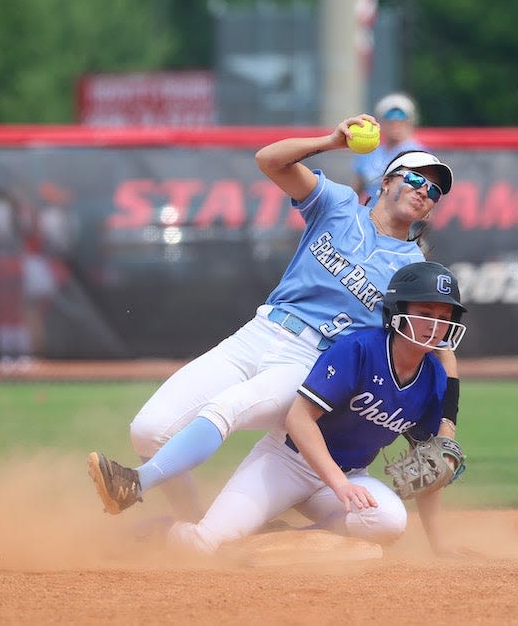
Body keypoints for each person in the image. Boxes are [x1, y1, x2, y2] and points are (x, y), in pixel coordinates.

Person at [88, 114, 461, 520]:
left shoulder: (412, 271)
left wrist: (447, 430)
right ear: (386, 181)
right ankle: (192, 523)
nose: (425, 190)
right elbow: (269, 160)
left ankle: (136, 483)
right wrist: (333, 140)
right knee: (148, 429)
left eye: (435, 190)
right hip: (261, 332)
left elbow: (438, 345)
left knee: (227, 408)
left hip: (309, 362)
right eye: (415, 178)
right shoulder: (337, 205)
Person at [165, 261, 468, 556]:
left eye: (445, 316)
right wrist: (339, 483)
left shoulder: (434, 379)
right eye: (425, 313)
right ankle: (167, 530)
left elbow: (430, 465)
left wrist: (438, 544)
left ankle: (285, 538)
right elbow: (299, 419)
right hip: (287, 463)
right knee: (206, 545)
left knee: (388, 520)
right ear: (398, 311)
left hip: (349, 476)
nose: (436, 325)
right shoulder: (359, 349)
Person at [352, 92, 429, 205]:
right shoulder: (368, 152)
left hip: (405, 220)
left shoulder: (420, 155)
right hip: (371, 217)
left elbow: (427, 194)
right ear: (380, 122)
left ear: (410, 121)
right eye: (390, 117)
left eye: (402, 117)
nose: (395, 123)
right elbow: (356, 190)